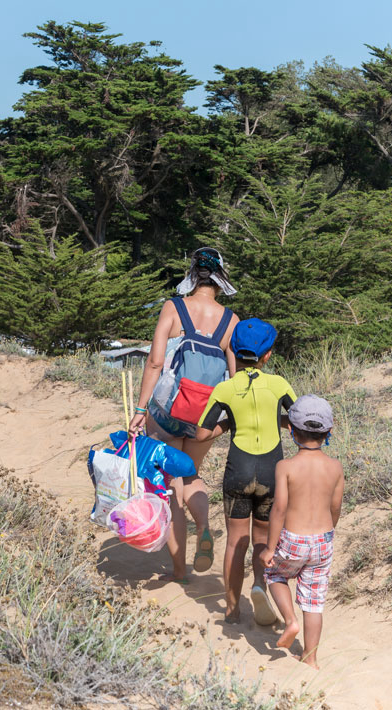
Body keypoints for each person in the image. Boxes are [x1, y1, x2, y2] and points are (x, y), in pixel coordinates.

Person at [129, 247, 240, 582]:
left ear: (193, 274)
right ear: (220, 279)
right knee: (191, 475)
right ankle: (203, 527)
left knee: (169, 486)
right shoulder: (231, 320)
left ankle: (179, 570)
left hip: (167, 410)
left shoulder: (173, 307)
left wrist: (140, 408)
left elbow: (155, 362)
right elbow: (235, 378)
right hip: (204, 414)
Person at [194, 318, 296, 624]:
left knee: (235, 541)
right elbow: (299, 422)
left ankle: (231, 609)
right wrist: (276, 421)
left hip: (238, 472)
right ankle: (259, 585)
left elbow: (202, 433)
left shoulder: (224, 389)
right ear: (268, 355)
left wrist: (229, 423)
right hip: (271, 474)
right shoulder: (278, 385)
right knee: (263, 540)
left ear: (233, 351)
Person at [259, 395, 343, 669]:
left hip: (293, 538)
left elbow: (279, 509)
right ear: (329, 432)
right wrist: (328, 530)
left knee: (274, 574)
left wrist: (270, 548)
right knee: (314, 601)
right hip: (323, 540)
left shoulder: (285, 467)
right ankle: (311, 657)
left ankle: (290, 621)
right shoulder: (335, 467)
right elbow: (335, 507)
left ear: (291, 430)